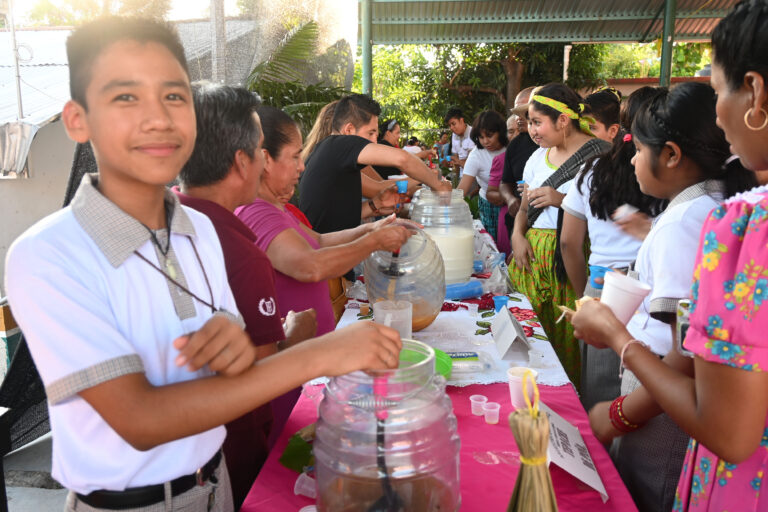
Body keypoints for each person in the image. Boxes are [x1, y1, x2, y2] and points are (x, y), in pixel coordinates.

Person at [3, 17, 403, 512]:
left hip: (217, 486)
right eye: (125, 97)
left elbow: (236, 366)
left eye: (174, 97)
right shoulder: (48, 254)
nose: (159, 119)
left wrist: (234, 353)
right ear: (77, 120)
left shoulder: (202, 233)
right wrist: (320, 353)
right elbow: (139, 419)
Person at [573, 3, 768, 510]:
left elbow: (717, 413)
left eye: (718, 87)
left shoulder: (740, 225)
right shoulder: (714, 212)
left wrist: (615, 339)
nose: (719, 111)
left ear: (755, 93)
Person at [173, 83, 321, 508]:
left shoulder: (163, 226)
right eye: (261, 150)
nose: (265, 162)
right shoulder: (238, 252)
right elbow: (257, 379)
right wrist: (298, 337)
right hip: (227, 464)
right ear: (242, 161)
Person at [240, 105, 412, 336]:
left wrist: (374, 228)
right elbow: (310, 266)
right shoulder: (254, 212)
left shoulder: (277, 208)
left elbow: (320, 241)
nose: (301, 166)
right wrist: (375, 241)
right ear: (265, 159)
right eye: (294, 157)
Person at [560, 86, 666, 411]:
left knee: (600, 397)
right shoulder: (671, 173)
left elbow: (568, 242)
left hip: (602, 288)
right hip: (656, 294)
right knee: (646, 391)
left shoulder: (590, 171)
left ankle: (601, 461)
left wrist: (587, 294)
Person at [508, 83, 610, 387]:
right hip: (532, 262)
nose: (532, 131)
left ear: (563, 120)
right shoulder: (537, 158)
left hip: (570, 262)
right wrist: (517, 234)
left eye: (538, 122)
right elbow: (525, 207)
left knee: (568, 338)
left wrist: (561, 200)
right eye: (529, 123)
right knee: (531, 339)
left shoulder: (600, 158)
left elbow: (606, 217)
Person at [299, 93, 450, 237]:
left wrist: (376, 204)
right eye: (370, 133)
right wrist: (438, 185)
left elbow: (335, 216)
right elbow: (403, 159)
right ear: (349, 130)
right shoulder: (339, 145)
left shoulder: (331, 153)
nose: (374, 142)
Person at [458, 110, 509, 238]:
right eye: (481, 137)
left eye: (490, 135)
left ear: (500, 132)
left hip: (513, 201)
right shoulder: (476, 155)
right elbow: (462, 189)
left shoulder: (511, 147)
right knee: (493, 241)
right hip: (489, 204)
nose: (485, 141)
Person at [499, 86, 541, 239]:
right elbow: (505, 182)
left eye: (524, 110)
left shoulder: (551, 147)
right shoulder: (515, 145)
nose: (518, 117)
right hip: (519, 222)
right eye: (516, 112)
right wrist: (511, 200)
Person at [444, 107, 474, 174]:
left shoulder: (473, 133)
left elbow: (472, 164)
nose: (451, 128)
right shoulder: (454, 135)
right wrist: (449, 162)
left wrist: (456, 161)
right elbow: (456, 157)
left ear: (461, 121)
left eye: (453, 124)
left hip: (473, 177)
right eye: (449, 125)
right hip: (461, 175)